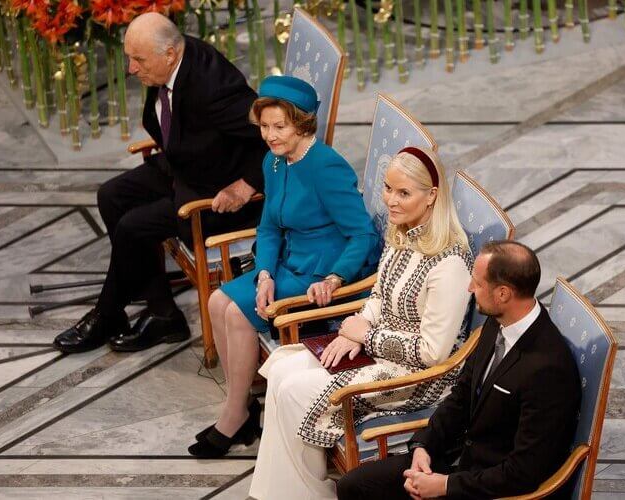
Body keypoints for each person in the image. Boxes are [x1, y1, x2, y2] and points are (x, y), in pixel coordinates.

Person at [249, 147, 474, 500]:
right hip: (375, 348)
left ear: (431, 197)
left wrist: (367, 336)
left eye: (403, 193)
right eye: (387, 188)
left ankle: (310, 493)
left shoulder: (450, 262)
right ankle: (280, 492)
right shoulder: (403, 233)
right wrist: (357, 329)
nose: (390, 201)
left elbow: (433, 352)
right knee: (281, 368)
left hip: (418, 377)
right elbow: (379, 297)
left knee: (295, 390)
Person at [188, 75, 381, 458]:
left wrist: (334, 276)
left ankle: (234, 416)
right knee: (216, 303)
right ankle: (242, 406)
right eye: (264, 127)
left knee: (240, 315)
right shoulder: (273, 161)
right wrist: (264, 274)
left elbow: (362, 235)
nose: (270, 136)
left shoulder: (326, 167)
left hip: (322, 275)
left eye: (280, 127)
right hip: (287, 263)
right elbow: (269, 226)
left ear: (302, 124)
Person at [53, 13, 267, 354]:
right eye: (129, 58)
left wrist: (244, 186)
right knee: (111, 196)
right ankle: (163, 312)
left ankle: (108, 313)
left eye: (138, 59)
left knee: (132, 227)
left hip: (215, 194)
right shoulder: (172, 64)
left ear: (169, 53)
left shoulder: (214, 87)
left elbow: (272, 136)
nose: (132, 69)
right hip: (185, 167)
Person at [337, 240, 582, 500]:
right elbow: (462, 397)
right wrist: (424, 446)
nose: (470, 288)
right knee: (353, 486)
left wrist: (445, 486)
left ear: (503, 294)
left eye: (477, 282)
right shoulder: (499, 321)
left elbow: (523, 473)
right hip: (458, 461)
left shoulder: (548, 370)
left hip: (493, 489)